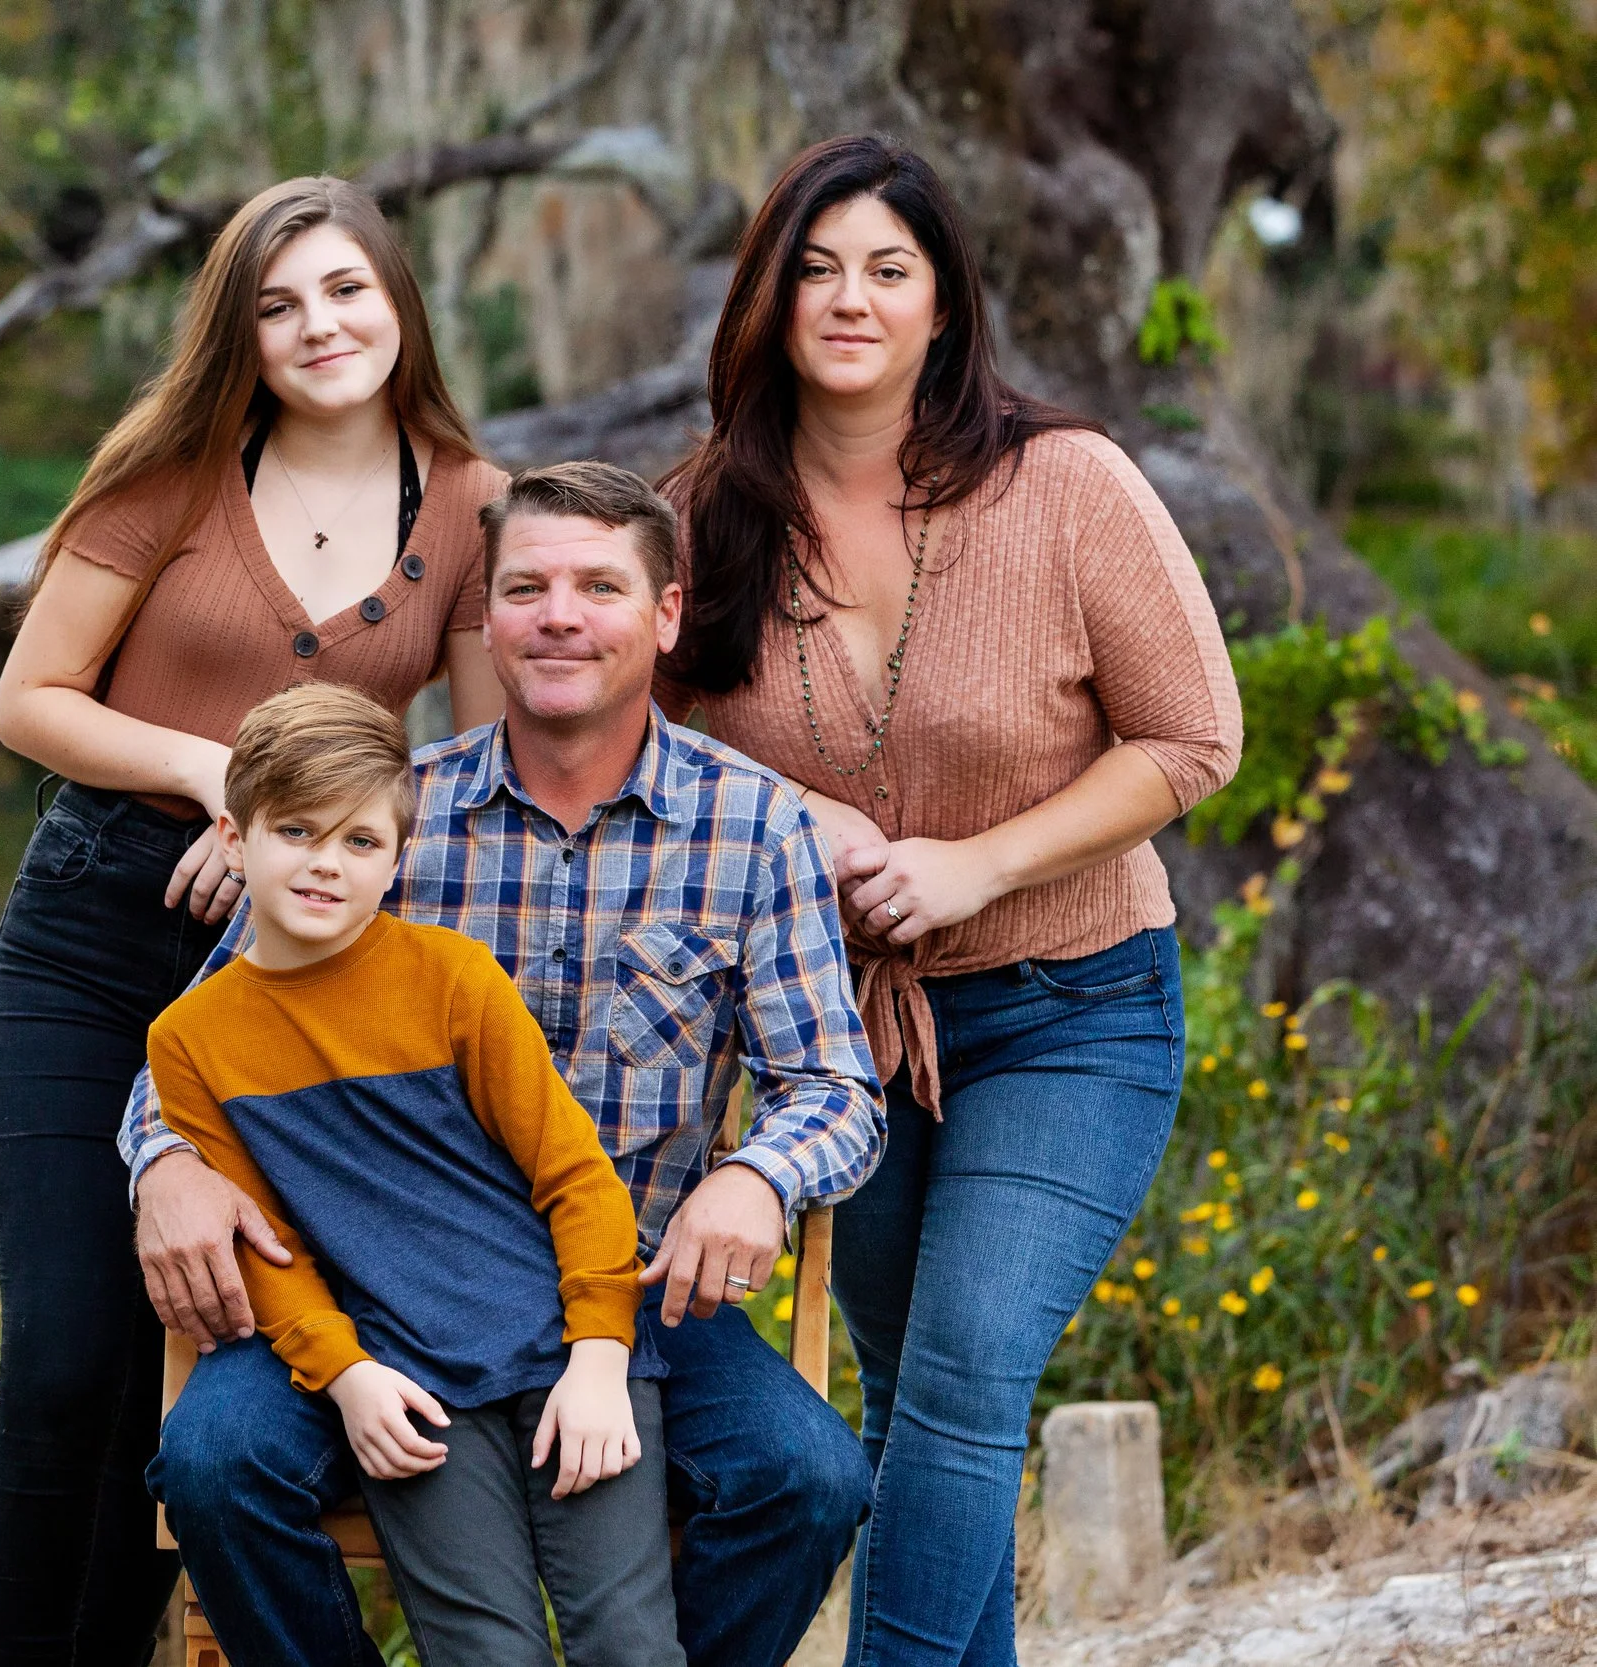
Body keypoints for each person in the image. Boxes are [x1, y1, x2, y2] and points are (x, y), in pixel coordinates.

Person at [125, 461, 885, 1667]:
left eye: (599, 585)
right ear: (492, 616)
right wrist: (164, 1166)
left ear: (667, 614)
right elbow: (206, 1043)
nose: (560, 614)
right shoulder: (376, 818)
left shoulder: (755, 826)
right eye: (525, 586)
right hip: (374, 1285)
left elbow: (836, 1088)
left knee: (805, 1476)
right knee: (214, 1465)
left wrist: (758, 1178)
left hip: (631, 1282)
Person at [659, 135, 1243, 1667]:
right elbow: (632, 748)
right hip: (840, 1038)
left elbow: (1194, 735)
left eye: (889, 269)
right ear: (768, 298)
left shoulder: (1067, 487)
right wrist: (797, 813)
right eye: (817, 266)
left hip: (1073, 1006)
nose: (851, 298)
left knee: (971, 1365)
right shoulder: (700, 516)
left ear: (941, 306)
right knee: (917, 1384)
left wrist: (977, 863)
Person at [0, 175, 508, 1664]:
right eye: (277, 304)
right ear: (239, 332)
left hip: (295, 968)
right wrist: (221, 775)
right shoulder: (169, 472)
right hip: (95, 934)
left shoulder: (468, 500)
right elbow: (32, 701)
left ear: (398, 301)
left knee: (191, 1335)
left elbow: (459, 770)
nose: (317, 325)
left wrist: (306, 850)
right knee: (69, 1349)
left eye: (345, 290)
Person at [149, 683, 682, 1667]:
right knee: (484, 1648)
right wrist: (346, 1378)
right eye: (296, 829)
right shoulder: (190, 1039)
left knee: (629, 1640)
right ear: (233, 836)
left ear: (397, 860)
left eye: (360, 841)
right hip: (407, 1379)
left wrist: (601, 1356)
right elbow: (261, 1245)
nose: (324, 862)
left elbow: (577, 1176)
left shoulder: (451, 976)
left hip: (566, 1347)